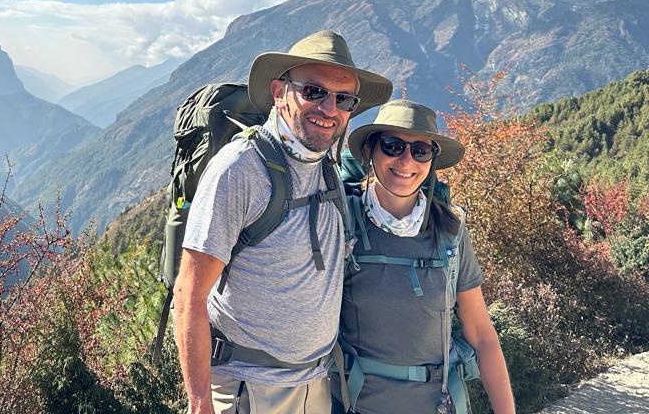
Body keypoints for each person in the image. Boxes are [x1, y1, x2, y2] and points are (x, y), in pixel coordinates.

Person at [173, 30, 393, 414]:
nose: (330, 109)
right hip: (250, 390)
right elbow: (189, 293)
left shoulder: (324, 167)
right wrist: (199, 402)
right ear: (279, 91)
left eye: (344, 99)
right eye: (314, 92)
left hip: (316, 384)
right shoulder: (240, 170)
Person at [333, 99, 515, 414]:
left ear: (431, 160)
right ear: (370, 152)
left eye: (420, 151)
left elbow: (482, 335)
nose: (406, 161)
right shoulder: (343, 223)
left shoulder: (450, 231)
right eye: (392, 146)